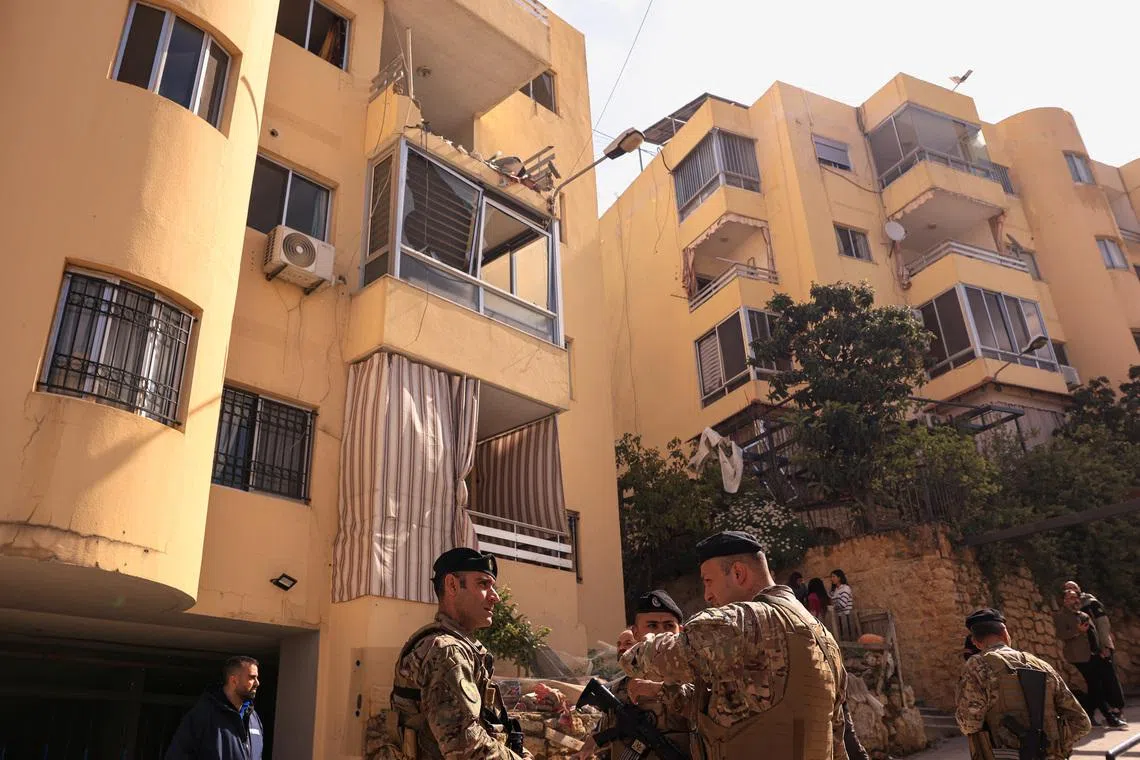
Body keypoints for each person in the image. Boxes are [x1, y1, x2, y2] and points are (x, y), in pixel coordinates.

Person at [620, 530, 848, 759]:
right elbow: (835, 740)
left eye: (709, 581)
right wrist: (661, 691)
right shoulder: (823, 637)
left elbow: (640, 659)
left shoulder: (739, 621)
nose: (708, 595)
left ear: (738, 573)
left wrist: (646, 640)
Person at [386, 547, 530, 759]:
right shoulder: (446, 652)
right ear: (452, 585)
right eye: (483, 584)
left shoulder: (462, 648)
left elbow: (487, 725)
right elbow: (466, 747)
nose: (495, 597)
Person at [956, 608, 1090, 760]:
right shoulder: (1042, 665)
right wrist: (1053, 747)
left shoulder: (977, 665)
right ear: (1005, 633)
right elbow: (1081, 722)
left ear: (975, 642)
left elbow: (969, 724)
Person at [575, 590, 692, 759]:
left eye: (669, 626)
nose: (662, 633)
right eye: (652, 626)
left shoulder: (697, 680)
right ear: (636, 633)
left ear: (680, 631)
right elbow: (605, 736)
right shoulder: (620, 689)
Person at [165, 655, 265, 760]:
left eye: (257, 678)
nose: (257, 683)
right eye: (252, 677)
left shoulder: (254, 719)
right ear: (234, 680)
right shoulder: (202, 716)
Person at [1054, 588, 1124, 728]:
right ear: (1064, 601)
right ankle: (1109, 717)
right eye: (1070, 598)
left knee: (1095, 686)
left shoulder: (1084, 615)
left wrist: (1101, 649)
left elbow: (1094, 634)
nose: (1075, 600)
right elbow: (1062, 634)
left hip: (1094, 655)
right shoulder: (1061, 616)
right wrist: (1077, 631)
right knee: (1095, 685)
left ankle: (1089, 715)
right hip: (1078, 657)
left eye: (1076, 597)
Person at [829, 569, 855, 641]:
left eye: (834, 577)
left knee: (849, 638)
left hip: (847, 617)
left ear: (839, 578)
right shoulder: (835, 590)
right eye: (831, 577)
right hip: (839, 617)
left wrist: (833, 606)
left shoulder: (845, 588)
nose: (832, 579)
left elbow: (842, 604)